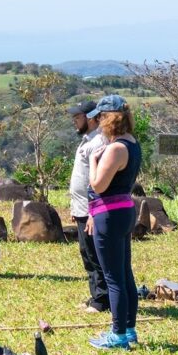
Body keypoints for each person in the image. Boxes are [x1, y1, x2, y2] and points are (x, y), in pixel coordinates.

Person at [85, 95, 142, 350]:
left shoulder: (116, 149)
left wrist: (93, 162)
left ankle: (118, 334)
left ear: (109, 119)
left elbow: (98, 184)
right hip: (125, 210)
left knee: (113, 278)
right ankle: (129, 330)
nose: (97, 122)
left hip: (109, 214)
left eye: (100, 117)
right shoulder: (132, 144)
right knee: (124, 273)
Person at [67, 100, 109, 314]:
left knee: (94, 254)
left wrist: (92, 211)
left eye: (78, 117)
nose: (74, 121)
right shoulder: (87, 140)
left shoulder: (98, 142)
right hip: (82, 207)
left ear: (91, 117)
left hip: (93, 209)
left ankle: (102, 299)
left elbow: (98, 182)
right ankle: (96, 294)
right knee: (87, 253)